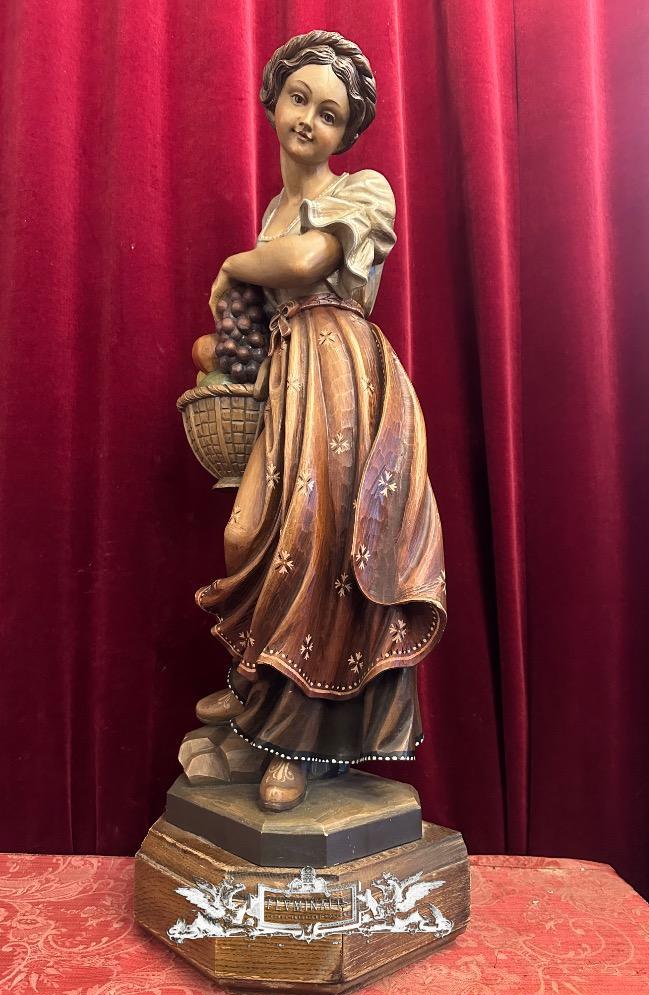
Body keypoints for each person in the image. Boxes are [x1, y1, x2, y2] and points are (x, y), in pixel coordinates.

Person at [192, 30, 446, 812]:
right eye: (298, 99)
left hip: (343, 378)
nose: (308, 119)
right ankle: (260, 694)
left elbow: (307, 266)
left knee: (323, 543)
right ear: (273, 102)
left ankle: (299, 744)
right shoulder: (274, 211)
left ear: (346, 132)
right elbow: (260, 315)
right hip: (289, 379)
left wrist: (233, 266)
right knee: (250, 537)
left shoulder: (363, 191)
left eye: (329, 112)